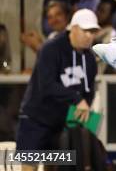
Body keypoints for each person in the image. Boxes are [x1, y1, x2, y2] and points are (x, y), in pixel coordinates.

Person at [16, 9, 98, 171]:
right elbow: (47, 85)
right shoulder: (51, 49)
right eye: (85, 30)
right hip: (35, 119)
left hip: (60, 123)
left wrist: (85, 109)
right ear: (73, 28)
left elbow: (88, 91)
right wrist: (77, 99)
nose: (89, 35)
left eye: (93, 31)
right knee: (28, 167)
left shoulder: (89, 59)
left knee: (56, 166)